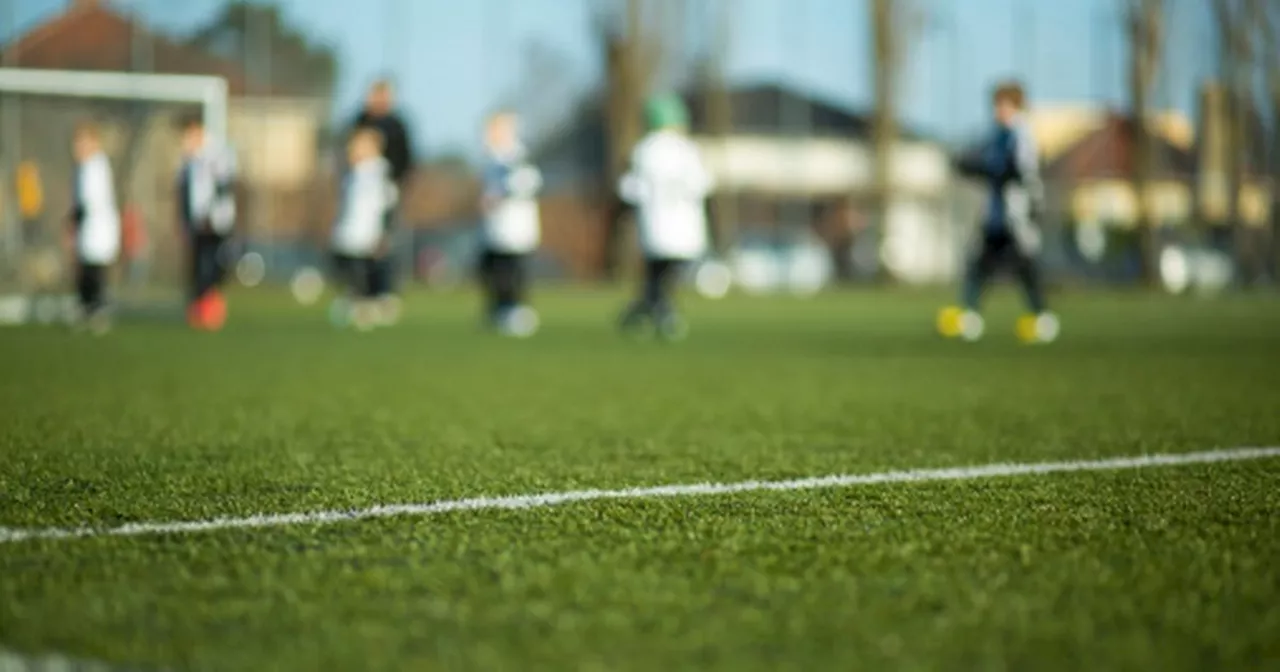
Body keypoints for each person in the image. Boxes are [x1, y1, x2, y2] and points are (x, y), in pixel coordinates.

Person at [938, 80, 1059, 344]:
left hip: (1018, 215)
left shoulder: (1022, 137)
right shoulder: (995, 136)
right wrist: (966, 164)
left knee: (1025, 266)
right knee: (978, 265)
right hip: (995, 215)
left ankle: (1042, 317)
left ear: (1015, 106)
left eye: (1002, 105)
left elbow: (1017, 172)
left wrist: (983, 168)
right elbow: (981, 163)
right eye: (995, 105)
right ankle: (969, 315)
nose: (997, 110)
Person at [618, 93, 713, 341]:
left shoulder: (643, 149)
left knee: (657, 272)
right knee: (665, 273)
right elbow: (702, 183)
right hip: (682, 224)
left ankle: (646, 309)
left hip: (655, 224)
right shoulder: (687, 150)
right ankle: (661, 311)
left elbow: (630, 188)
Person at [349, 79, 414, 322]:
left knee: (384, 244)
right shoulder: (360, 120)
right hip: (361, 200)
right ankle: (361, 294)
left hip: (387, 193)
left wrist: (395, 184)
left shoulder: (397, 125)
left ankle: (383, 292)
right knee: (360, 247)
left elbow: (406, 160)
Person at [478, 111, 543, 337]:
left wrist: (501, 193)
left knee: (514, 270)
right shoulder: (492, 158)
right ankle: (499, 308)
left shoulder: (517, 156)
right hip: (496, 227)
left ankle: (516, 310)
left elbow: (528, 182)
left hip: (515, 226)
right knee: (494, 269)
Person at [329, 127, 399, 331]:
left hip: (368, 233)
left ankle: (369, 307)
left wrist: (384, 232)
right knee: (350, 271)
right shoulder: (351, 174)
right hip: (348, 234)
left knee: (366, 272)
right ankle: (357, 304)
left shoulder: (380, 171)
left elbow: (388, 203)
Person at [176, 114, 237, 330]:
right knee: (197, 267)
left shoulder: (217, 154)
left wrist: (211, 215)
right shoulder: (188, 161)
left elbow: (223, 187)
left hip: (215, 223)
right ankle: (200, 308)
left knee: (211, 265)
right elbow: (184, 193)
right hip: (197, 223)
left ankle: (211, 310)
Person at [67, 121, 120, 335]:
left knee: (95, 271)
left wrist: (75, 219)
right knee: (86, 269)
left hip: (97, 230)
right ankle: (87, 308)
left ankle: (97, 310)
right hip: (89, 231)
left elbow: (89, 201)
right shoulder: (83, 167)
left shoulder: (96, 166)